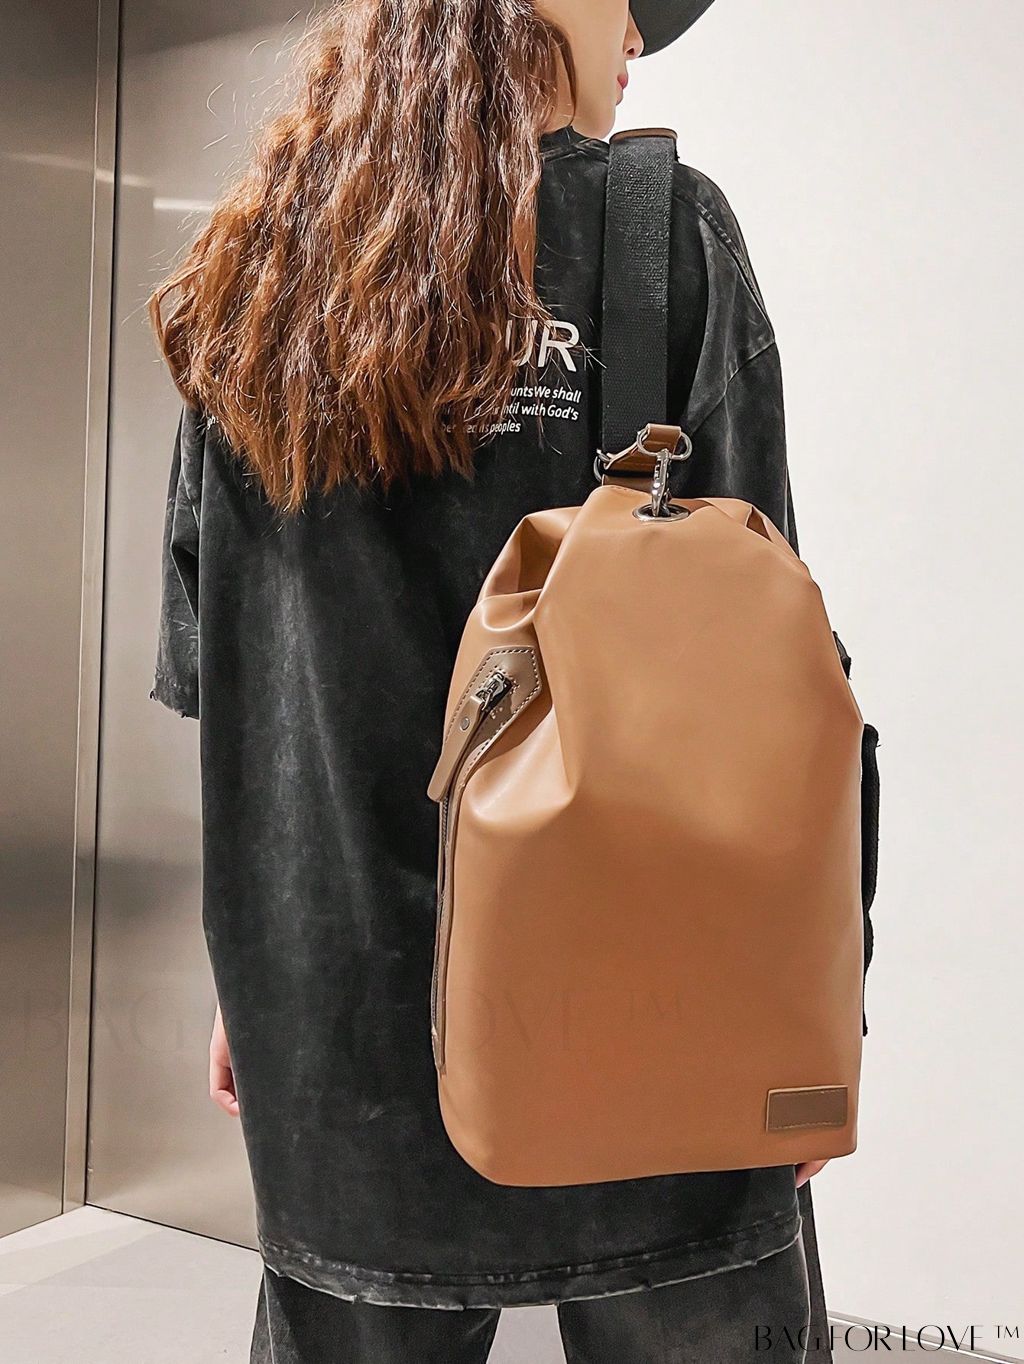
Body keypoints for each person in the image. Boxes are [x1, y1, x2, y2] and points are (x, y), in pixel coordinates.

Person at [148, 1, 836, 1360]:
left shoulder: (256, 262)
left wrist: (255, 976)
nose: (638, 37)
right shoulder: (665, 237)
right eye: (627, 2)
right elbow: (772, 681)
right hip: (655, 1010)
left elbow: (231, 675)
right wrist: (813, 1011)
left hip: (343, 1019)